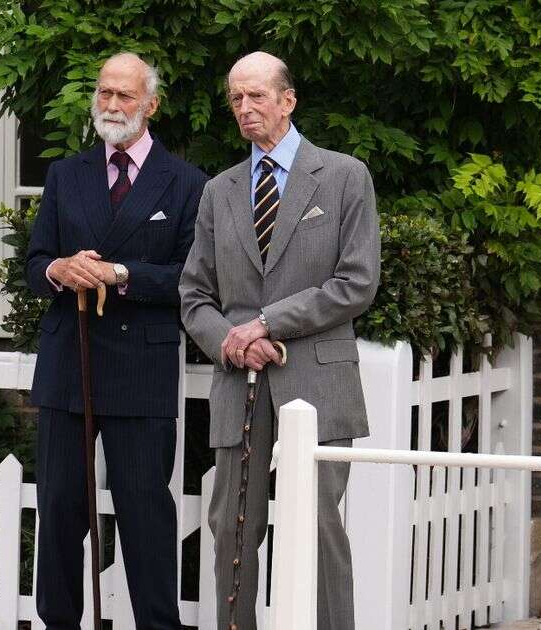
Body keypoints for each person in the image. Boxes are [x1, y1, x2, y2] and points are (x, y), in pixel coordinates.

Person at [179, 51, 379, 630]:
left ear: (288, 101)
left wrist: (267, 323)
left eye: (257, 96)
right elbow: (195, 296)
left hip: (318, 375)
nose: (245, 108)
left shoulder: (344, 176)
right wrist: (235, 341)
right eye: (236, 98)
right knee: (231, 527)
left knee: (317, 525)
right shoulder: (220, 191)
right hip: (238, 378)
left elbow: (356, 283)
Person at [25, 52, 207, 629]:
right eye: (104, 93)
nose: (111, 105)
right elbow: (32, 264)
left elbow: (192, 279)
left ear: (150, 105)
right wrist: (61, 268)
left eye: (124, 96)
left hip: (140, 369)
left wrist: (119, 274)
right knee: (57, 511)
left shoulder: (186, 183)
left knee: (145, 514)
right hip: (67, 363)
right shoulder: (66, 174)